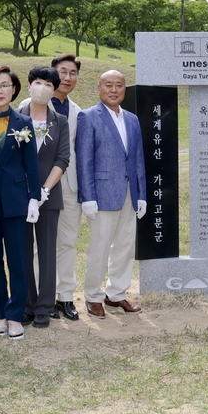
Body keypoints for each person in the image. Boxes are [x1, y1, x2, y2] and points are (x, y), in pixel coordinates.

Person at [75, 70, 146, 318]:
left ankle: (116, 295)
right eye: (108, 85)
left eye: (119, 85)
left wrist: (142, 194)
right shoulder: (88, 116)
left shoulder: (132, 119)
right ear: (99, 88)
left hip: (129, 193)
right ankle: (93, 297)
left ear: (125, 89)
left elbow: (137, 159)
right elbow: (84, 160)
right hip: (102, 194)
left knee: (125, 247)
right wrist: (88, 197)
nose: (114, 90)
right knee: (100, 248)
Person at [0, 65, 40, 339]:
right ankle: (0, 314)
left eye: (4, 85)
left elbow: (32, 165)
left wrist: (34, 198)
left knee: (18, 261)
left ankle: (15, 315)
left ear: (14, 89)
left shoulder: (23, 123)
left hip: (17, 202)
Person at [18, 67, 71, 328]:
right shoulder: (15, 118)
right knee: (23, 251)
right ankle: (27, 305)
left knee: (48, 252)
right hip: (19, 196)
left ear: (54, 89)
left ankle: (45, 306)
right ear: (29, 86)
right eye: (37, 82)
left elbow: (62, 158)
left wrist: (45, 190)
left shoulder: (59, 120)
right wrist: (27, 191)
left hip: (49, 196)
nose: (42, 87)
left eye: (48, 84)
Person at [49, 54, 83, 321]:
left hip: (70, 184)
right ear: (52, 74)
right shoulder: (30, 105)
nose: (67, 77)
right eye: (63, 72)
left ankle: (66, 297)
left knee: (68, 242)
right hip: (41, 185)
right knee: (40, 244)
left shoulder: (78, 111)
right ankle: (44, 297)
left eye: (73, 73)